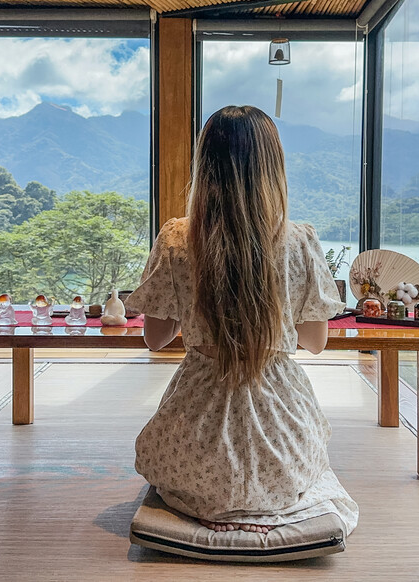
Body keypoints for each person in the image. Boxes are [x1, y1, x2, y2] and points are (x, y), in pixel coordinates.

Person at [125, 105, 359, 537]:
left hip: (193, 454)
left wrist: (193, 309)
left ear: (205, 162)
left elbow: (156, 339)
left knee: (185, 469)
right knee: (301, 467)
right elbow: (315, 341)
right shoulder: (300, 239)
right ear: (274, 165)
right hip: (280, 447)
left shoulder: (176, 237)